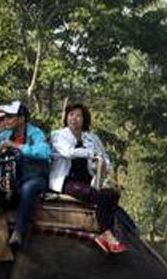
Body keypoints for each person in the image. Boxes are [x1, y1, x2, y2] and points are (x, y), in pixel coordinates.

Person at [0, 100, 50, 250]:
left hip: (34, 176)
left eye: (10, 117)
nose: (5, 120)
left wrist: (16, 146)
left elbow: (45, 152)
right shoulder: (4, 135)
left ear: (21, 119)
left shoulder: (36, 133)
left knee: (28, 189)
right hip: (12, 175)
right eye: (5, 117)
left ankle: (19, 231)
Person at [49, 102, 126, 254]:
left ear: (84, 119)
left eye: (78, 115)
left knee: (112, 194)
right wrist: (91, 153)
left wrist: (104, 166)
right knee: (95, 195)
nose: (74, 118)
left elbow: (106, 158)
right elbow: (68, 152)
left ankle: (106, 230)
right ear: (66, 117)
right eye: (71, 115)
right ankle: (106, 234)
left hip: (89, 180)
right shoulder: (58, 135)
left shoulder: (92, 138)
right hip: (66, 181)